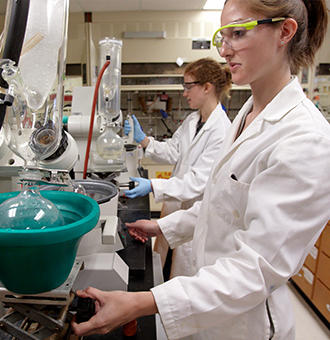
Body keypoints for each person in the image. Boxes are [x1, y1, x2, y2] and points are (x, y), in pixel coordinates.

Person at [71, 1, 330, 339]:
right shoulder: (248, 115)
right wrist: (162, 225)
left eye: (237, 33)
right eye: (222, 36)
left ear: (284, 31)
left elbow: (255, 269)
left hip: (245, 325)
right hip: (209, 299)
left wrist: (141, 303)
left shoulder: (305, 138)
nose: (225, 50)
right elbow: (219, 204)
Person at [123, 58, 232, 278]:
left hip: (194, 215)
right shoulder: (193, 120)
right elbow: (173, 151)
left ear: (207, 87)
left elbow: (197, 182)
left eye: (189, 86)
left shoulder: (221, 131)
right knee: (160, 268)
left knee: (182, 275)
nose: (184, 93)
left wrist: (153, 185)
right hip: (174, 209)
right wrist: (144, 140)